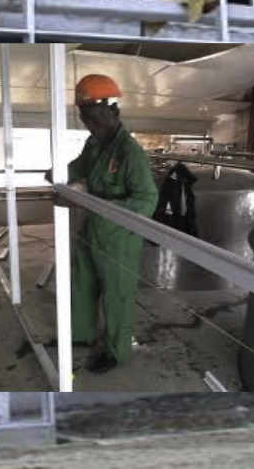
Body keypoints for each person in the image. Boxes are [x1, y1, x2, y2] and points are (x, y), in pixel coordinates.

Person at [46, 73, 159, 374]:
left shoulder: (129, 153)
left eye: (96, 119)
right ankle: (80, 334)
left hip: (119, 238)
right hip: (92, 229)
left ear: (114, 112)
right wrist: (58, 175)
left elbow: (147, 200)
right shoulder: (94, 144)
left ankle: (116, 351)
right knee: (82, 283)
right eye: (86, 119)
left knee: (116, 295)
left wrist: (86, 203)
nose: (91, 126)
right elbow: (78, 167)